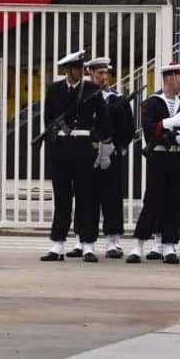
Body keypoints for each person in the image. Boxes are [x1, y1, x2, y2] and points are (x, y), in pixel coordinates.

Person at [41, 50, 110, 263]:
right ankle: (57, 244)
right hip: (62, 149)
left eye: (81, 69)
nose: (79, 72)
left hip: (83, 147)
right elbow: (48, 118)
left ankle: (88, 244)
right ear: (67, 70)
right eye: (75, 69)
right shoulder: (54, 90)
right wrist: (55, 139)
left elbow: (104, 120)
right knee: (62, 198)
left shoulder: (92, 90)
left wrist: (94, 137)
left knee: (86, 197)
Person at [130, 62, 180, 263]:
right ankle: (138, 244)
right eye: (179, 76)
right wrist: (167, 123)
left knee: (174, 201)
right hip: (159, 156)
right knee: (153, 201)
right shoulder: (153, 102)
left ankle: (169, 245)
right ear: (169, 78)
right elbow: (148, 128)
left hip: (178, 156)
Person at [88, 57, 136, 259]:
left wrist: (116, 147)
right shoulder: (84, 98)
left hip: (112, 155)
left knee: (113, 198)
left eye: (107, 73)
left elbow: (128, 128)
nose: (105, 77)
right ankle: (85, 241)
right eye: (100, 73)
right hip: (88, 154)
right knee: (87, 198)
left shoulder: (117, 99)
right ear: (90, 73)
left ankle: (113, 240)